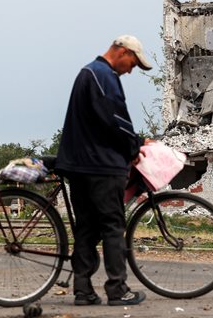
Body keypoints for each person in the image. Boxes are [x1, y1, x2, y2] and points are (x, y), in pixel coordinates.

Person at [55, 35, 152, 306]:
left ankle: (83, 291)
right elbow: (116, 120)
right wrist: (135, 147)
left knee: (86, 228)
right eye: (132, 63)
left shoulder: (87, 72)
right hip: (101, 166)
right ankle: (117, 289)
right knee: (112, 225)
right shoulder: (103, 75)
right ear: (122, 52)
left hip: (78, 165)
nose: (131, 70)